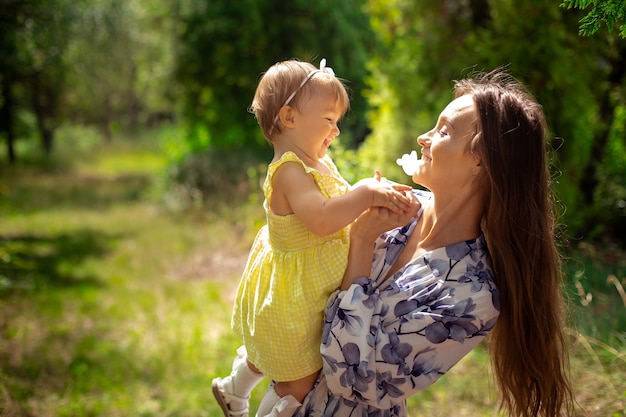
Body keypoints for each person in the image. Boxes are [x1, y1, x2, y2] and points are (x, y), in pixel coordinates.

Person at [231, 69, 575, 417]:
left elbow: (353, 380)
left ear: (480, 161)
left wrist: (363, 241)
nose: (424, 137)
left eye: (443, 131)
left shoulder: (471, 295)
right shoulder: (399, 207)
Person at [212, 59, 413, 417]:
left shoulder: (317, 161)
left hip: (311, 286)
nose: (335, 131)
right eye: (329, 120)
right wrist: (364, 195)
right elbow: (321, 219)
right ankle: (243, 398)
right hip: (294, 294)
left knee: (273, 355)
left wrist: (372, 192)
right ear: (289, 118)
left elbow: (337, 204)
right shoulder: (289, 170)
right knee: (297, 380)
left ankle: (232, 391)